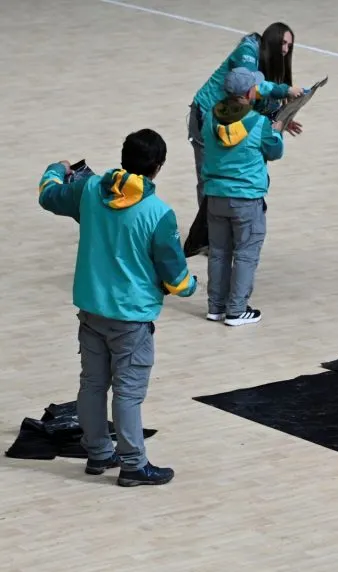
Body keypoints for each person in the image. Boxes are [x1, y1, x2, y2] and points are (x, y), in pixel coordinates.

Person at [37, 129, 197, 486]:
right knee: (128, 392)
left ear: (124, 158)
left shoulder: (90, 189)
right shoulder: (158, 213)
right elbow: (176, 278)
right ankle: (133, 465)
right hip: (131, 319)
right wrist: (190, 287)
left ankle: (97, 453)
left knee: (92, 384)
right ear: (158, 167)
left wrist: (56, 168)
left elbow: (48, 195)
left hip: (92, 309)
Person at [201, 67, 286, 326]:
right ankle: (236, 310)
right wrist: (278, 130)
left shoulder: (209, 118)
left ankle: (215, 307)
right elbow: (275, 152)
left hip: (215, 196)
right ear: (249, 92)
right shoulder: (258, 123)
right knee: (246, 254)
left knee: (219, 252)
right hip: (247, 199)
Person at [187, 22, 304, 209]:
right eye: (282, 43)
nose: (285, 50)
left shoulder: (268, 63)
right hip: (206, 115)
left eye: (289, 46)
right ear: (271, 39)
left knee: (229, 175)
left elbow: (259, 100)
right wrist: (285, 90)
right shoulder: (248, 51)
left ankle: (224, 225)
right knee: (210, 179)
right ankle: (206, 233)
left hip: (231, 117)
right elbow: (249, 88)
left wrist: (281, 117)